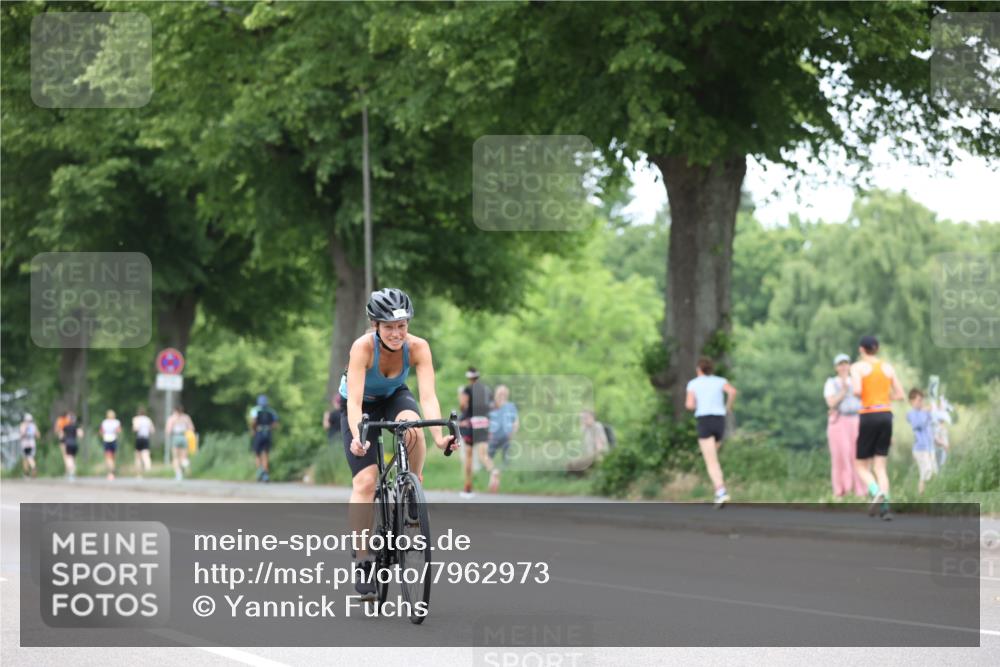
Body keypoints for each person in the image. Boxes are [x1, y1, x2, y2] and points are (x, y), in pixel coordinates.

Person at [340, 288, 457, 598]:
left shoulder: (418, 347)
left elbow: (428, 397)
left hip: (393, 396)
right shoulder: (362, 348)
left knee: (413, 429)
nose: (396, 333)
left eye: (402, 325)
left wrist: (439, 437)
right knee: (365, 481)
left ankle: (411, 486)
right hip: (359, 405)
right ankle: (364, 559)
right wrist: (359, 437)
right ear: (375, 325)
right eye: (389, 327)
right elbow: (353, 402)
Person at [850, 335, 905, 520]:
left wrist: (867, 396)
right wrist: (883, 397)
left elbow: (857, 391)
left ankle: (875, 491)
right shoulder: (888, 367)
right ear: (877, 349)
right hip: (886, 415)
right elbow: (900, 394)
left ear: (861, 349)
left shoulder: (857, 367)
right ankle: (886, 507)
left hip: (868, 414)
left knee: (860, 465)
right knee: (880, 466)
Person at [685, 357, 738, 507]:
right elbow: (732, 391)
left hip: (705, 421)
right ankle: (718, 492)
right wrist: (728, 407)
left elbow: (689, 405)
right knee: (714, 457)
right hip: (719, 420)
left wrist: (699, 404)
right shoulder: (720, 381)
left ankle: (721, 491)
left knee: (711, 461)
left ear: (698, 370)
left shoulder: (693, 384)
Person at [823, 353, 866, 498]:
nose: (843, 367)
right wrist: (843, 390)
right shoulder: (831, 383)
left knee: (858, 456)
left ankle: (860, 490)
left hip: (856, 420)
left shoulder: (856, 381)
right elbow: (831, 403)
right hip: (839, 421)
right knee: (840, 456)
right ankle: (841, 490)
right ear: (836, 367)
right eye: (840, 364)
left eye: (846, 363)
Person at [459, 366, 493, 498]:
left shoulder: (467, 389)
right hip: (484, 422)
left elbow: (463, 405)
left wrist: (464, 408)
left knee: (468, 456)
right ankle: (493, 470)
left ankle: (468, 486)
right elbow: (492, 405)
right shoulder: (486, 389)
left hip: (471, 423)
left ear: (469, 377)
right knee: (483, 454)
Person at [487, 384, 519, 493]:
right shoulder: (491, 406)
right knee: (487, 457)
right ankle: (492, 476)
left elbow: (515, 421)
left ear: (507, 394)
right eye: (500, 393)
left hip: (506, 436)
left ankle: (503, 479)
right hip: (493, 436)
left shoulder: (511, 406)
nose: (502, 395)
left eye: (504, 393)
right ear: (496, 394)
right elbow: (486, 420)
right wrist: (487, 433)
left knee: (506, 459)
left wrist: (513, 432)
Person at [906, 389, 937, 495]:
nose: (921, 403)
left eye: (922, 400)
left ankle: (924, 494)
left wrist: (931, 410)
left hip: (930, 447)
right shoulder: (911, 414)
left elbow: (932, 423)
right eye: (919, 400)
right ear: (911, 401)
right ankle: (922, 494)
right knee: (926, 471)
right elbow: (918, 424)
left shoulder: (923, 412)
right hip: (920, 448)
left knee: (933, 471)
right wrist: (924, 412)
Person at [567, 410, 609, 474]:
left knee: (596, 460)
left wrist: (588, 458)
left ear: (592, 418)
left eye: (585, 418)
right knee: (570, 464)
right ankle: (583, 474)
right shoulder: (584, 428)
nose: (583, 420)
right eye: (582, 418)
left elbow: (599, 447)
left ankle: (591, 472)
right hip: (587, 455)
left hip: (596, 455)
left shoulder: (597, 427)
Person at [250, 394, 279, 482]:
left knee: (257, 454)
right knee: (265, 454)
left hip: (259, 433)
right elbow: (275, 424)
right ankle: (265, 474)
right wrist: (269, 428)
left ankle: (259, 472)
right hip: (268, 434)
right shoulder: (271, 411)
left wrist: (253, 430)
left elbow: (254, 421)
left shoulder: (255, 410)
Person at [165, 405, 194, 481]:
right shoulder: (186, 418)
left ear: (175, 410)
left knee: (175, 457)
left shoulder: (172, 418)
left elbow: (168, 430)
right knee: (183, 457)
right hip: (184, 437)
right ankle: (186, 464)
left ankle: (178, 474)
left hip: (176, 437)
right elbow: (191, 428)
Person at [131, 405, 155, 477]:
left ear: (138, 413)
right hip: (146, 438)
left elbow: (135, 429)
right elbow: (152, 430)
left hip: (139, 438)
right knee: (146, 454)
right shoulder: (148, 419)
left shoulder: (136, 419)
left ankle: (139, 471)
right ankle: (148, 469)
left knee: (138, 456)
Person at [99, 409, 122, 480]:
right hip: (114, 439)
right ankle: (112, 471)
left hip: (106, 439)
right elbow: (119, 430)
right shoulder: (116, 422)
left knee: (108, 457)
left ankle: (110, 473)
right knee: (113, 457)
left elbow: (101, 432)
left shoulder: (104, 422)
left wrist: (104, 435)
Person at [931, 397, 953, 468]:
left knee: (941, 467)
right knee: (939, 468)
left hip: (943, 449)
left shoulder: (941, 426)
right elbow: (935, 438)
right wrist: (944, 444)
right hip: (939, 449)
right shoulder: (937, 426)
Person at [60, 411, 83, 481]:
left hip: (68, 443)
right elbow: (81, 435)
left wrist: (63, 441)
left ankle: (71, 473)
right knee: (73, 458)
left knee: (69, 459)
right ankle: (72, 472)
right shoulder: (76, 427)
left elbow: (61, 436)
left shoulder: (65, 427)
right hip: (75, 443)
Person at [19, 413, 38, 478]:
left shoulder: (23, 425)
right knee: (30, 457)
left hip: (25, 444)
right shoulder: (33, 426)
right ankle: (30, 470)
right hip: (32, 444)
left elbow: (22, 434)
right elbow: (38, 435)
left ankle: (29, 471)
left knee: (26, 458)